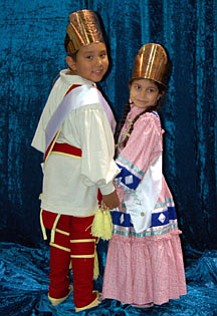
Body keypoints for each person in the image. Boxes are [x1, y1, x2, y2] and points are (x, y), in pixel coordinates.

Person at [31, 9, 120, 313]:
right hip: (82, 181)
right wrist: (108, 191)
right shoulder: (90, 103)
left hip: (56, 181)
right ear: (72, 62)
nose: (99, 63)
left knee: (60, 237)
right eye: (89, 57)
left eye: (103, 55)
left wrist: (52, 170)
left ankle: (56, 290)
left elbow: (44, 132)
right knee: (83, 242)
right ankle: (84, 297)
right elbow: (97, 156)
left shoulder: (62, 84)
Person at [102, 43, 187, 308]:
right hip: (132, 192)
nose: (142, 94)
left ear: (159, 95)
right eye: (138, 87)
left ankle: (145, 295)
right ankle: (135, 291)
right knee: (134, 240)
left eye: (150, 90)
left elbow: (133, 164)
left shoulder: (148, 121)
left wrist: (114, 192)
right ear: (129, 87)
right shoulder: (132, 116)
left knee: (142, 239)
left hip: (142, 193)